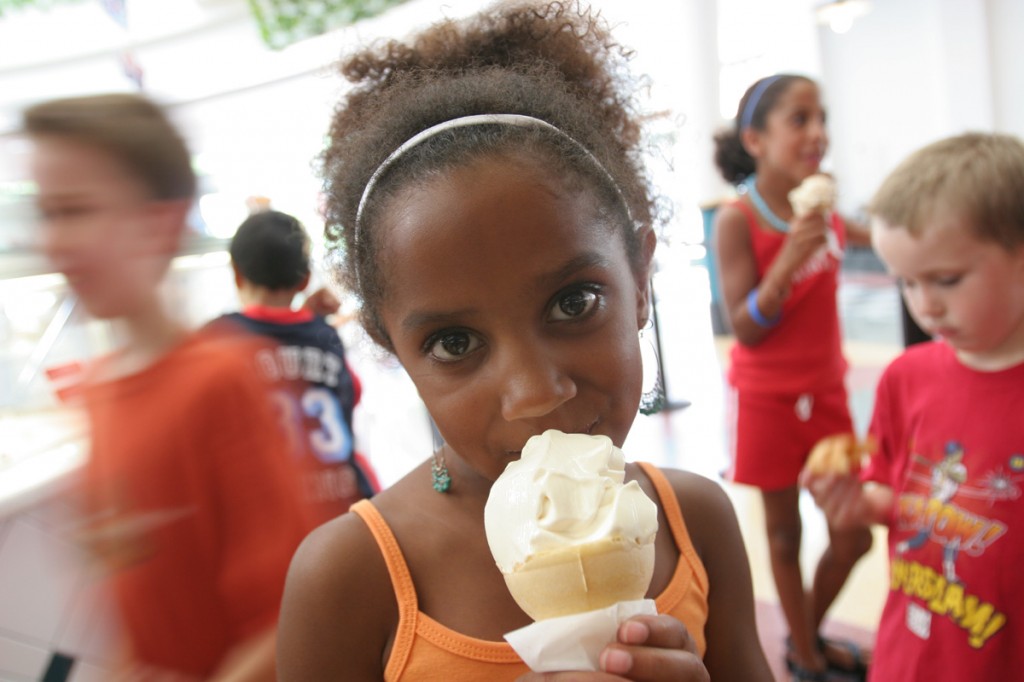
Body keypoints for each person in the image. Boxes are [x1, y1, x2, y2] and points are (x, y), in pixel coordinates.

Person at [276, 2, 774, 680]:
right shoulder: (349, 577)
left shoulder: (697, 524)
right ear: (394, 351)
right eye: (454, 343)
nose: (536, 393)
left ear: (641, 280)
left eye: (574, 303)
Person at [23, 93, 317, 680]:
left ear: (159, 221)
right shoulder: (104, 394)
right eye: (46, 214)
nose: (53, 243)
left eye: (75, 210)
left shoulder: (221, 381)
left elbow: (285, 620)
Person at [802, 132, 1024, 680]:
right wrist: (857, 503)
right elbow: (898, 496)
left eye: (946, 280)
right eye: (905, 282)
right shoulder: (908, 377)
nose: (925, 304)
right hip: (911, 655)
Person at [710, 74, 874, 681]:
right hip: (767, 399)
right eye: (799, 120)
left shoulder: (823, 207)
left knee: (854, 535)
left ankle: (804, 633)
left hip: (826, 394)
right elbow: (746, 327)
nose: (818, 134)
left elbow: (886, 238)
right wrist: (787, 261)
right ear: (755, 138)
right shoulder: (735, 220)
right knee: (784, 538)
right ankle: (807, 658)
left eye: (821, 118)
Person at [212, 208, 380, 523]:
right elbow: (352, 392)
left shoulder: (219, 340)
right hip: (347, 504)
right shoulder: (323, 333)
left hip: (277, 512)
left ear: (236, 273)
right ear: (304, 280)